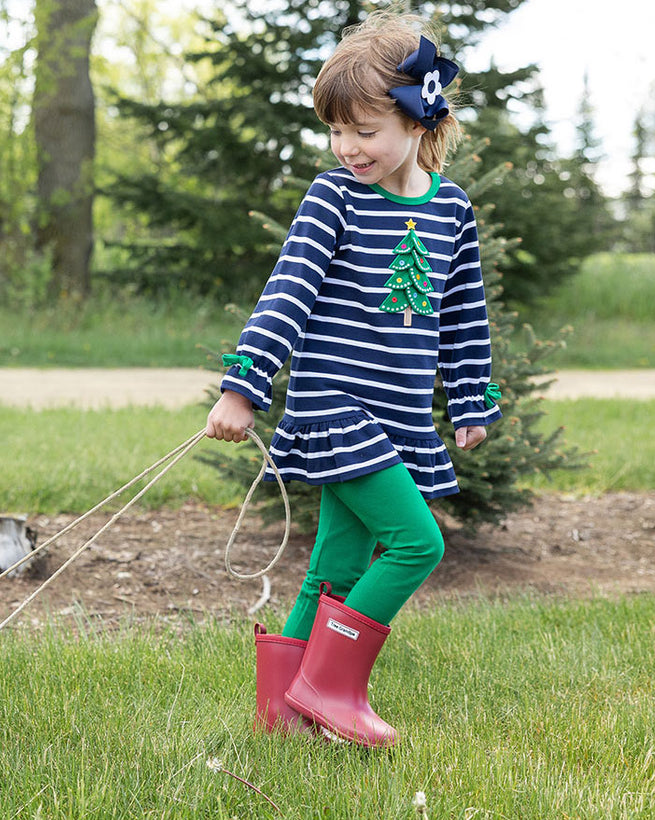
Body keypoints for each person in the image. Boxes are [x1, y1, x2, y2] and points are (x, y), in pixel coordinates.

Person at [208, 12, 500, 749]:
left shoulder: (451, 210)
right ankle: (331, 689)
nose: (347, 148)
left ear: (419, 120)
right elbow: (288, 291)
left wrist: (469, 398)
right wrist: (244, 387)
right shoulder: (333, 198)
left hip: (397, 415)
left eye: (364, 131)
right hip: (335, 407)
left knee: (336, 563)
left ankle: (281, 717)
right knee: (417, 544)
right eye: (336, 131)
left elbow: (464, 315)